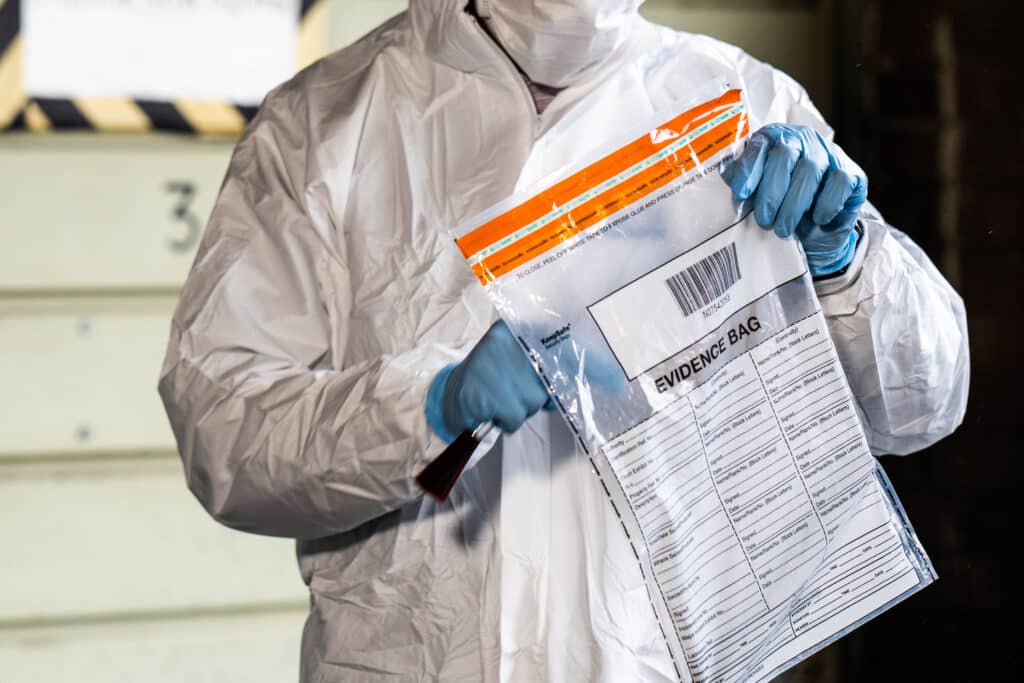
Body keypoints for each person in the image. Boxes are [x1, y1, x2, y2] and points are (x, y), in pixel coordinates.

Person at [158, 1, 970, 680]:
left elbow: (919, 404)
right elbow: (224, 435)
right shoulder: (321, 128)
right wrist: (428, 404)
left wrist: (843, 259)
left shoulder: (743, 102)